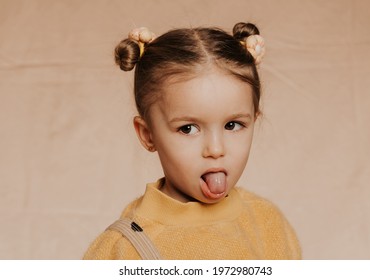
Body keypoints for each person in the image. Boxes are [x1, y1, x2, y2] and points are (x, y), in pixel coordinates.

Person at [83, 22, 301, 260]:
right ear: (148, 135)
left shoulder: (267, 222)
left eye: (232, 125)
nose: (216, 150)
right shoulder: (122, 250)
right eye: (188, 129)